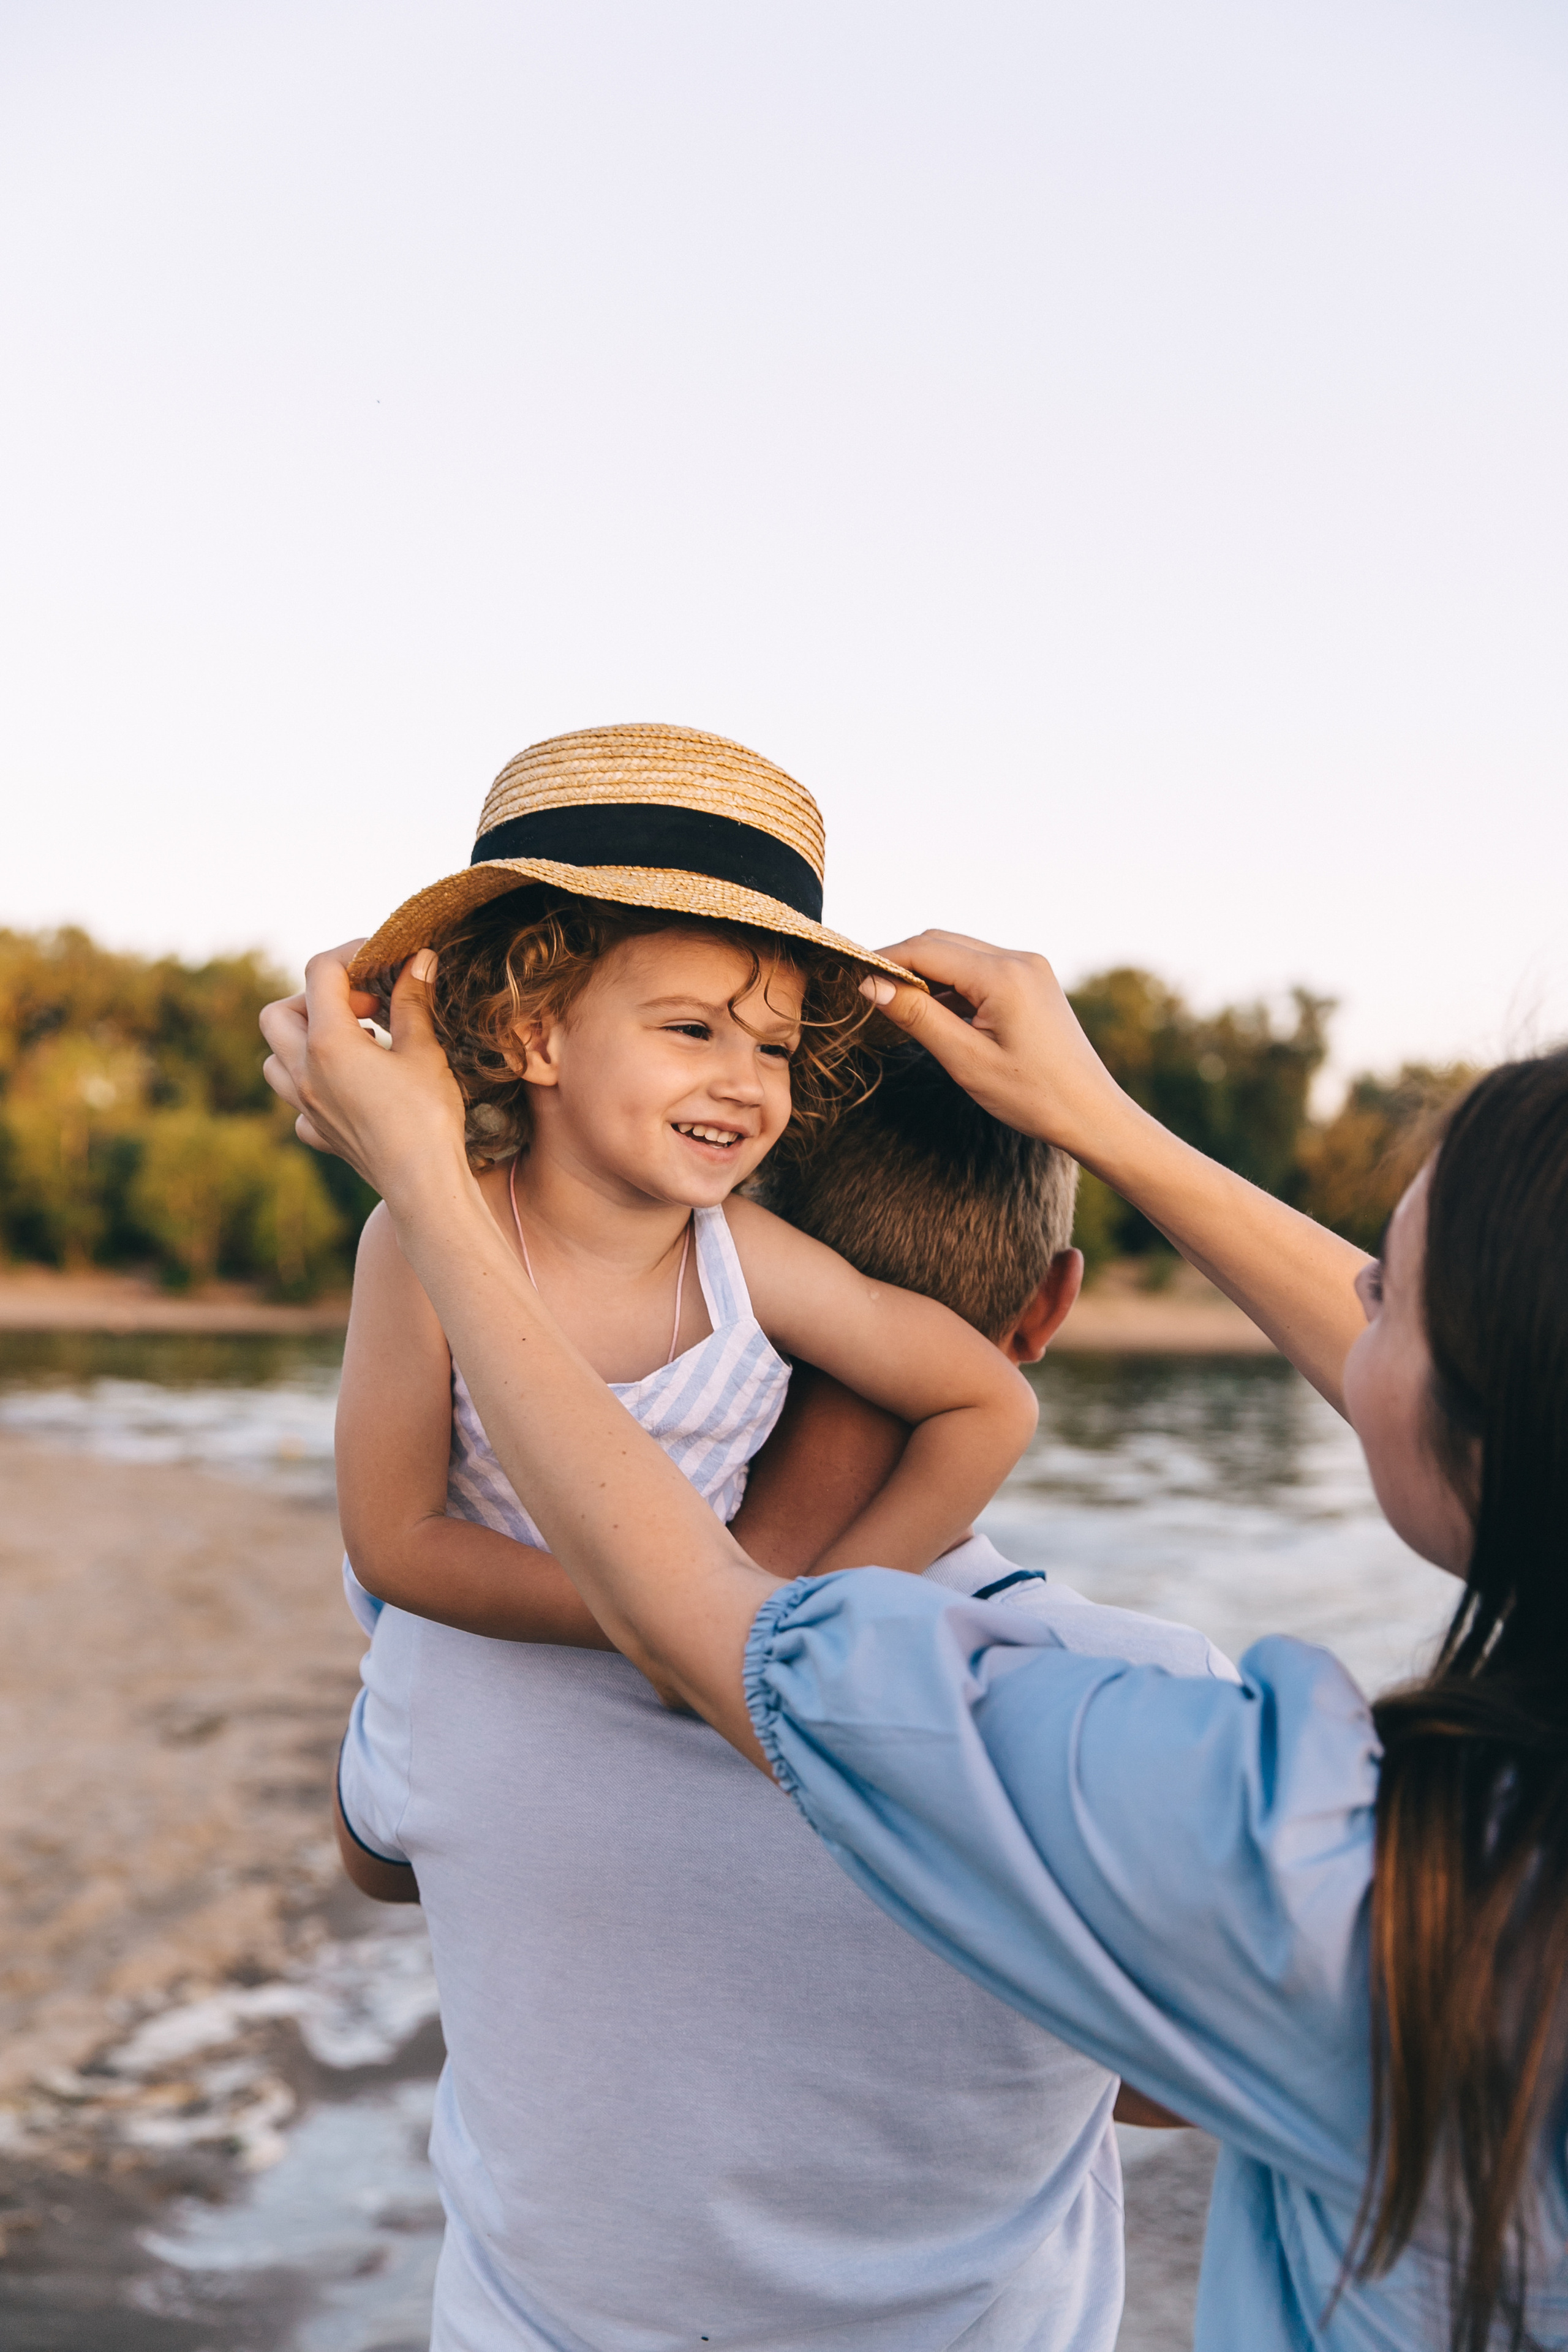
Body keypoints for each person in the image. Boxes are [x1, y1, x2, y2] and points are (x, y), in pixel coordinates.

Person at [265, 923, 1568, 2352]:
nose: (1351, 1301)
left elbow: (699, 1632)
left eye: (1379, 1288)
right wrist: (1096, 1125)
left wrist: (432, 1193)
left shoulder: (1275, 1839)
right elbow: (1160, 2080)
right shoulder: (1181, 1738)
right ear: (1051, 1306)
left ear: (766, 1253)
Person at [334, 1011, 1235, 2348]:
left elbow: (385, 1862)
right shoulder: (1146, 1704)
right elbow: (1204, 2075)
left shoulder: (455, 1644)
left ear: (733, 1238)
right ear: (1046, 1305)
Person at [333, 723, 1036, 1659]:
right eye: (693, 1030)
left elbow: (989, 1405)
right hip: (487, 1702)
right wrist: (677, 1617)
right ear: (535, 1037)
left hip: (701, 1693)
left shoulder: (742, 1260)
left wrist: (809, 1614)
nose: (745, 1081)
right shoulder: (421, 1236)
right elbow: (396, 1544)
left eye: (774, 1047)